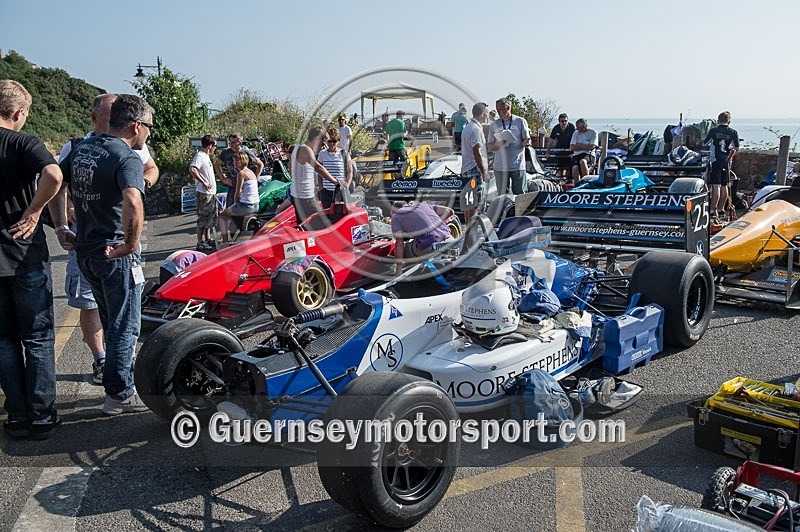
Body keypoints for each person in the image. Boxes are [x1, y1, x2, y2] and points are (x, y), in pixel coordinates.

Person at [55, 94, 152, 416]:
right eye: (148, 128)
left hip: (86, 250)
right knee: (126, 325)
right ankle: (120, 395)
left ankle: (116, 382)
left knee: (111, 321)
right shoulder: (126, 157)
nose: (148, 134)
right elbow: (133, 201)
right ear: (136, 125)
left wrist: (60, 225)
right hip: (113, 253)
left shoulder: (84, 147)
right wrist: (130, 243)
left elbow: (57, 180)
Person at [0, 79, 63, 439]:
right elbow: (54, 174)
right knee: (37, 337)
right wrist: (35, 211)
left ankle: (17, 416)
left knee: (4, 339)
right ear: (19, 112)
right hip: (23, 251)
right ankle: (41, 415)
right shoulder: (24, 142)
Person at [290, 126, 338, 224]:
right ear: (316, 139)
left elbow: (290, 166)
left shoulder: (297, 148)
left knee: (304, 225)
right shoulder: (306, 150)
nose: (323, 147)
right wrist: (335, 181)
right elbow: (318, 167)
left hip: (296, 195)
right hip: (305, 197)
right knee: (321, 226)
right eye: (323, 143)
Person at [390, 201, 453, 276]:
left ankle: (417, 272)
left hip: (432, 247)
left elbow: (399, 244)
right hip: (450, 240)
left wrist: (398, 270)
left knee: (405, 248)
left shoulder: (396, 216)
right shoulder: (424, 205)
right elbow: (449, 211)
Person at [487, 97, 531, 195]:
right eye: (497, 109)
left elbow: (526, 139)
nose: (498, 112)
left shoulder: (520, 121)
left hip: (517, 165)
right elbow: (489, 147)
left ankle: (519, 211)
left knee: (520, 194)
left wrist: (526, 143)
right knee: (502, 196)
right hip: (500, 166)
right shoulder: (494, 124)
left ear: (508, 107)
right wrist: (498, 144)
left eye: (500, 109)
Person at [213, 133, 264, 211]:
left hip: (245, 187)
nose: (232, 145)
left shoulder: (246, 152)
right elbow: (217, 165)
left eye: (234, 142)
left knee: (243, 208)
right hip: (233, 184)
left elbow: (260, 164)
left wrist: (254, 179)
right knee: (230, 208)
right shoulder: (226, 152)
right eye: (230, 142)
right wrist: (223, 179)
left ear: (239, 142)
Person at [704, 111, 739, 222]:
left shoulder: (713, 131)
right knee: (724, 185)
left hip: (716, 160)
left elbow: (706, 143)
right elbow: (736, 148)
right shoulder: (733, 132)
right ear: (729, 121)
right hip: (727, 161)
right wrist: (729, 157)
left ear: (718, 120)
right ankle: (720, 208)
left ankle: (713, 209)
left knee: (716, 185)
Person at [218, 151, 259, 242]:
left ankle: (224, 241)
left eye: (237, 160)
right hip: (255, 205)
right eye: (234, 161)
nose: (234, 163)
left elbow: (237, 192)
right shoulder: (251, 172)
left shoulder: (241, 174)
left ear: (243, 161)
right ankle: (236, 236)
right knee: (232, 215)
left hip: (246, 206)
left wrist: (235, 203)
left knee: (222, 216)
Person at [460, 102, 491, 222]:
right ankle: (473, 230)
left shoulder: (468, 127)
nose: (487, 117)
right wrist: (484, 172)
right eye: (486, 114)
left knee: (469, 202)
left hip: (466, 168)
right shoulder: (476, 129)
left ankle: (469, 229)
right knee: (475, 203)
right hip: (474, 169)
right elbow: (476, 151)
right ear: (483, 114)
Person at [189, 135, 217, 250]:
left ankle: (207, 239)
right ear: (210, 146)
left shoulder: (206, 156)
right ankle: (200, 242)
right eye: (214, 146)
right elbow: (192, 169)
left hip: (210, 192)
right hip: (204, 193)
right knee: (203, 218)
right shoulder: (200, 156)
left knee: (210, 217)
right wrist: (204, 182)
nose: (215, 148)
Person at [317, 127, 353, 208]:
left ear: (338, 141)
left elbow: (350, 171)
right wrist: (321, 188)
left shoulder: (344, 153)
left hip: (340, 191)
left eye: (334, 141)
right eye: (330, 141)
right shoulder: (322, 154)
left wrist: (347, 185)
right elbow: (319, 171)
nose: (332, 144)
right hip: (326, 191)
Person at [546, 113, 575, 178]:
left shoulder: (572, 128)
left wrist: (574, 152)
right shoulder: (556, 128)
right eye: (562, 121)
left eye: (565, 121)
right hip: (560, 149)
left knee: (570, 168)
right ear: (559, 121)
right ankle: (562, 179)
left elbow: (576, 140)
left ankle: (568, 181)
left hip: (570, 150)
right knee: (561, 167)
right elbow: (551, 141)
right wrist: (547, 152)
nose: (564, 123)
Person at [569, 118, 598, 183]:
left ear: (584, 126)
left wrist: (579, 145)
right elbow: (572, 147)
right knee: (575, 168)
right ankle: (577, 184)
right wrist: (585, 146)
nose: (577, 129)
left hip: (588, 154)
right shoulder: (576, 133)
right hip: (577, 154)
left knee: (583, 162)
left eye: (578, 127)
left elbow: (592, 147)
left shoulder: (593, 132)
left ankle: (586, 182)